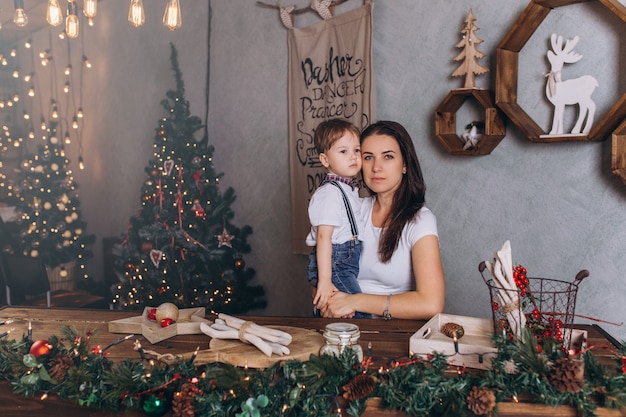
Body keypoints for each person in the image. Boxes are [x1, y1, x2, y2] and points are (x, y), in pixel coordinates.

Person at [322, 120, 445, 320]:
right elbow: (319, 272)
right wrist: (329, 304)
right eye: (368, 157)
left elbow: (431, 303)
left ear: (405, 164)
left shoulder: (420, 220)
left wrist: (356, 301)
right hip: (342, 329)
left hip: (392, 337)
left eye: (388, 156)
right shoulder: (351, 209)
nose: (376, 167)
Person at [306, 118, 368, 318]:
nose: (353, 157)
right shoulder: (329, 193)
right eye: (343, 151)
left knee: (342, 316)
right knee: (360, 314)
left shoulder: (347, 189)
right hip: (336, 263)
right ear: (325, 160)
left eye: (356, 150)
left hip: (345, 261)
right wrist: (324, 280)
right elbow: (324, 238)